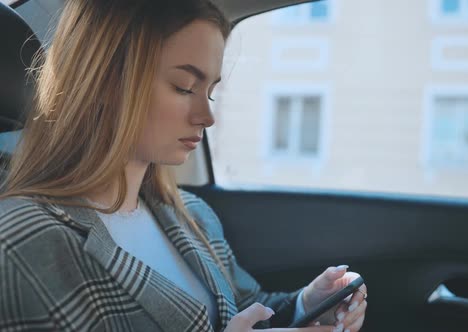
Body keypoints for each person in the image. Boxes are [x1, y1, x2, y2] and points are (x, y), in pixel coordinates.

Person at [0, 1, 367, 331]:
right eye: (184, 86)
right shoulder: (20, 243)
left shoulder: (192, 214)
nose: (207, 116)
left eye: (209, 92)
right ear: (106, 81)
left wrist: (306, 305)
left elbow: (243, 312)